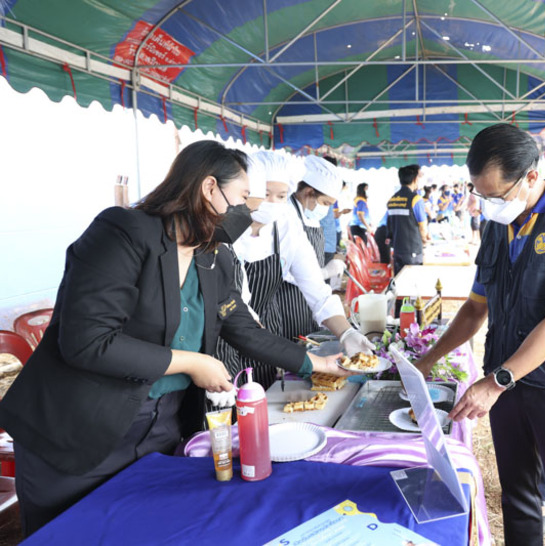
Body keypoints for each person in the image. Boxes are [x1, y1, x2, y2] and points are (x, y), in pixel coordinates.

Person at [0, 141, 347, 536]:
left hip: (159, 431)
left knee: (147, 532)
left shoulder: (213, 256)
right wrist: (193, 362)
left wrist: (319, 363)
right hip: (79, 432)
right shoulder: (124, 232)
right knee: (68, 534)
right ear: (209, 188)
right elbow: (88, 341)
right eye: (242, 198)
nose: (248, 210)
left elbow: (243, 329)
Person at [414, 123, 545, 545]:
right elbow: (475, 308)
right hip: (506, 375)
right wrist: (427, 359)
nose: (486, 205)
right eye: (479, 195)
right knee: (517, 495)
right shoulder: (496, 224)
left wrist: (495, 382)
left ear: (531, 177)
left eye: (496, 195)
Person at [227, 151, 373, 388]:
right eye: (265, 194)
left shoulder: (286, 225)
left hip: (268, 336)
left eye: (281, 196)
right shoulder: (226, 229)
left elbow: (317, 290)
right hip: (226, 339)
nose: (273, 203)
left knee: (267, 393)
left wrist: (346, 333)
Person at [273, 155, 345, 341]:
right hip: (286, 300)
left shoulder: (309, 215)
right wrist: (324, 272)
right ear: (309, 192)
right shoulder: (286, 215)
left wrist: (346, 331)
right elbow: (284, 269)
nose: (326, 210)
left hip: (309, 298)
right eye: (325, 203)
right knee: (292, 344)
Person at [386, 164, 430, 275]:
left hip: (398, 250)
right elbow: (422, 226)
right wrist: (425, 240)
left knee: (400, 280)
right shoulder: (415, 199)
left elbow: (391, 225)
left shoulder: (392, 200)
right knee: (414, 282)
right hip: (413, 251)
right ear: (415, 179)